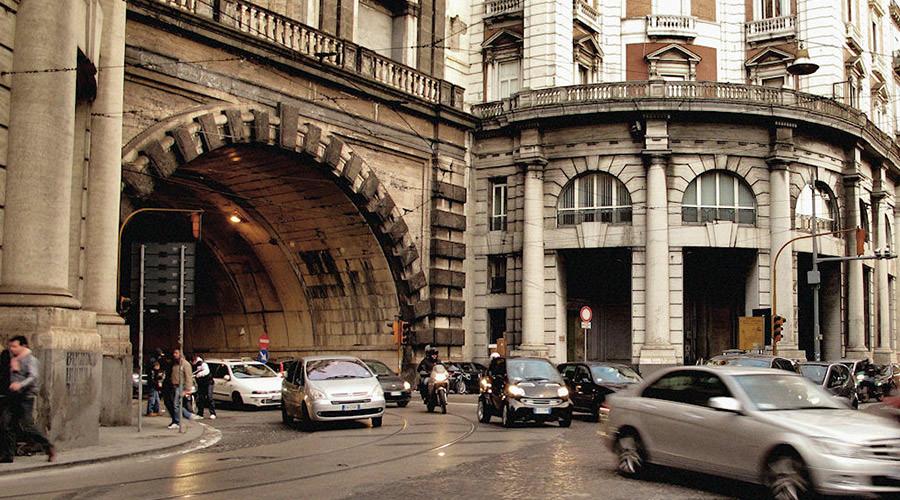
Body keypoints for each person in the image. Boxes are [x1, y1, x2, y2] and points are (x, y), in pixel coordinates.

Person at [0, 336, 56, 463]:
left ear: (23, 346)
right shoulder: (12, 359)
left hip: (26, 397)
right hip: (12, 396)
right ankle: (7, 455)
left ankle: (48, 446)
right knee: (6, 424)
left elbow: (33, 376)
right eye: (11, 346)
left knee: (27, 426)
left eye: (15, 346)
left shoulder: (30, 360)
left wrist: (20, 384)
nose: (12, 349)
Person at [163, 348, 194, 429]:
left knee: (176, 404)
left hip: (180, 386)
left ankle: (178, 421)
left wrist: (187, 390)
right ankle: (185, 416)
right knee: (175, 404)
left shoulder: (185, 364)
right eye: (174, 353)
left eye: (176, 353)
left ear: (180, 354)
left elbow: (188, 377)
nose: (174, 354)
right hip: (174, 386)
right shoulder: (175, 364)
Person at [192, 354, 216, 420]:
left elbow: (206, 371)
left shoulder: (202, 364)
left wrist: (199, 375)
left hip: (208, 383)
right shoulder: (194, 365)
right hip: (201, 383)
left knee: (209, 397)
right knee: (201, 398)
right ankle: (200, 413)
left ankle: (212, 413)